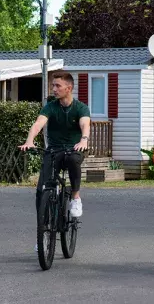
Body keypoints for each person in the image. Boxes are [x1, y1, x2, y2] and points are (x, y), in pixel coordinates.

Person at [20, 71, 91, 220]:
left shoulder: (81, 107)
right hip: (54, 149)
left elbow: (85, 123)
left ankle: (76, 197)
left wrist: (84, 139)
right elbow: (38, 123)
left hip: (75, 148)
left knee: (73, 160)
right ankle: (42, 233)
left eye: (58, 86)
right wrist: (29, 140)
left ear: (69, 88)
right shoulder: (50, 107)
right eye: (53, 85)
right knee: (41, 189)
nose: (54, 89)